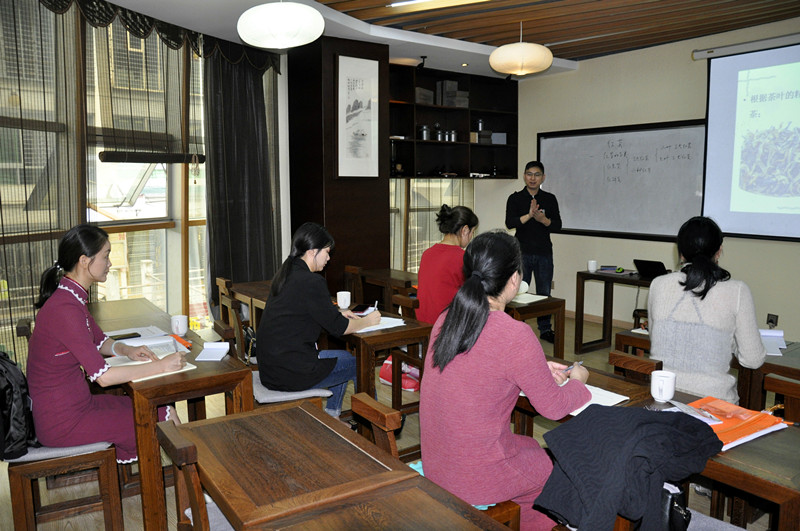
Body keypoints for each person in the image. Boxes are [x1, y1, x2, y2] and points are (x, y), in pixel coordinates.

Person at [419, 231, 590, 530]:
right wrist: (579, 381)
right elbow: (553, 407)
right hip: (472, 476)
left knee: (529, 447)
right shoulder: (514, 334)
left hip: (438, 462)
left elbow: (477, 372)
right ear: (514, 280)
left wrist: (534, 370)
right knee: (557, 473)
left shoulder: (447, 319)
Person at [27, 224, 186, 463]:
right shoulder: (65, 308)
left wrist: (127, 350)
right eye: (106, 255)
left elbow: (100, 340)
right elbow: (104, 377)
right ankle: (183, 484)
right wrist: (161, 366)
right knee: (158, 414)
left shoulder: (71, 297)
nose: (110, 263)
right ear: (84, 261)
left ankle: (185, 480)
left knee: (158, 407)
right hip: (63, 422)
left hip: (77, 406)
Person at [257, 222, 381, 418]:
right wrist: (369, 320)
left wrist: (338, 314)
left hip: (273, 369)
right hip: (290, 373)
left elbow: (305, 311)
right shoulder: (311, 281)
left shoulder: (288, 273)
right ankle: (377, 422)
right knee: (361, 365)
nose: (329, 258)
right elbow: (340, 329)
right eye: (327, 252)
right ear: (313, 252)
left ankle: (333, 415)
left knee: (344, 359)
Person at [648, 216, 766, 404]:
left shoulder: (658, 284)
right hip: (714, 407)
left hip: (662, 399)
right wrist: (729, 340)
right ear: (719, 252)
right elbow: (752, 360)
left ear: (680, 253)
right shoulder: (737, 290)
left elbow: (658, 338)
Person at [505, 161, 562, 343]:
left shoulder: (550, 198)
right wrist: (529, 215)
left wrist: (543, 219)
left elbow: (558, 225)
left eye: (537, 175)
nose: (532, 178)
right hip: (521, 252)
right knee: (519, 291)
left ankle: (545, 330)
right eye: (529, 174)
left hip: (544, 252)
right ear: (524, 176)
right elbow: (510, 223)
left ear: (543, 178)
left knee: (544, 292)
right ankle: (516, 328)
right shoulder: (515, 198)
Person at [415, 204, 479, 324]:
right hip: (446, 326)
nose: (471, 237)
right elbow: (473, 294)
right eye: (472, 232)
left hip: (423, 323)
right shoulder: (462, 257)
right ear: (465, 230)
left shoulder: (427, 254)